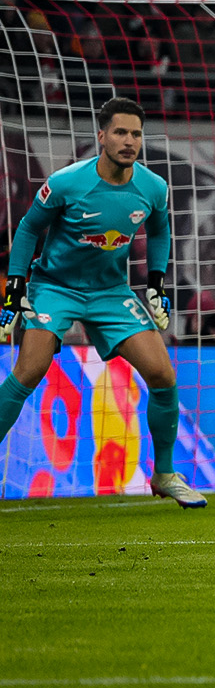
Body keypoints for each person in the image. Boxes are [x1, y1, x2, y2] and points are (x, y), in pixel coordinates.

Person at [0, 98, 202, 508]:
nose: (129, 141)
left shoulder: (152, 187)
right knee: (29, 370)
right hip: (55, 287)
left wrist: (156, 283)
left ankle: (164, 474)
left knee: (163, 374)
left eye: (136, 134)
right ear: (102, 136)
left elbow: (160, 228)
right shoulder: (66, 182)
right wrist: (16, 286)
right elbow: (28, 229)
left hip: (110, 292)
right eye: (121, 132)